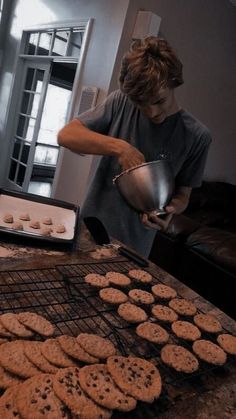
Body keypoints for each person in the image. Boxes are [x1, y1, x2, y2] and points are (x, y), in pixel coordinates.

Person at [57, 36, 212, 257]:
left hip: (135, 246)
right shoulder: (120, 101)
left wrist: (171, 210)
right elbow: (66, 135)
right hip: (89, 230)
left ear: (174, 82)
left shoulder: (197, 137)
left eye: (159, 101)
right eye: (141, 104)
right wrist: (120, 148)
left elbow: (183, 196)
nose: (151, 112)